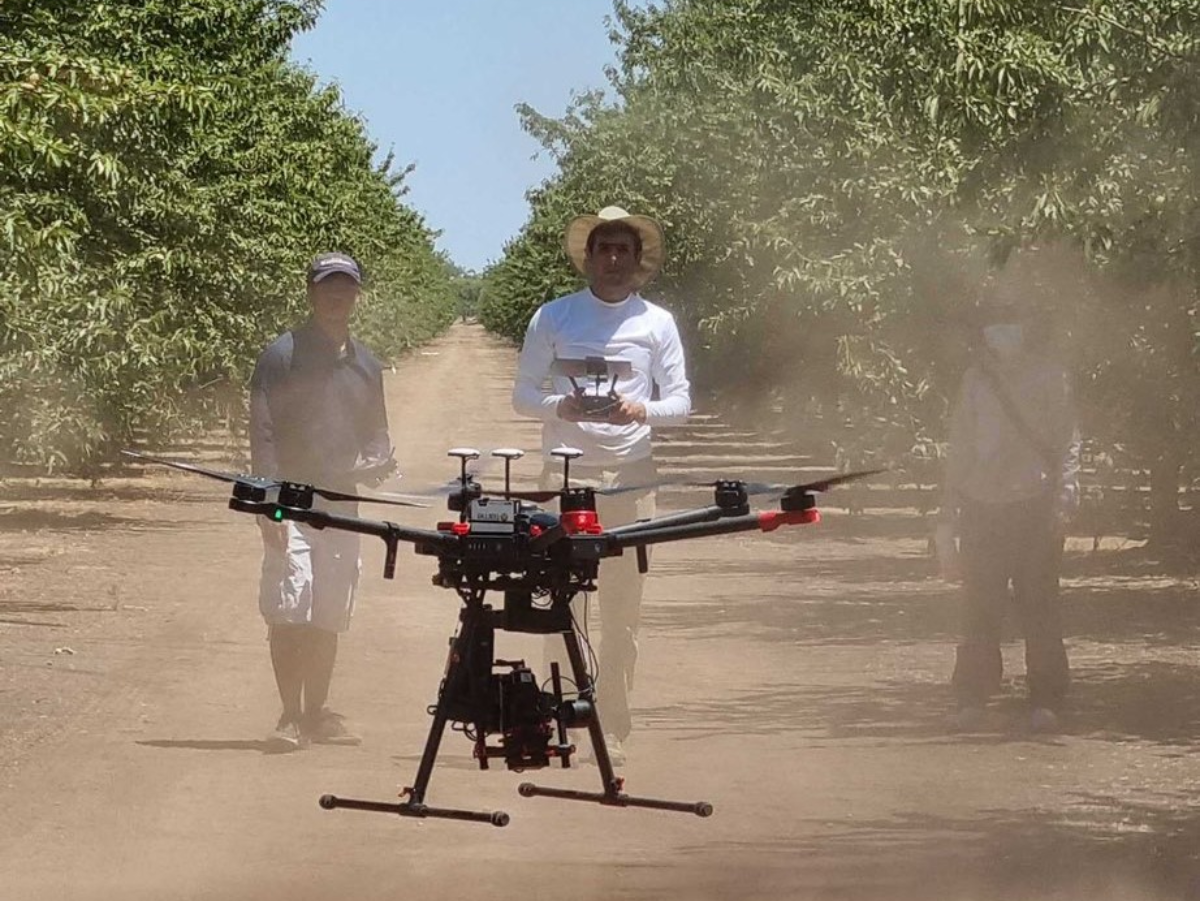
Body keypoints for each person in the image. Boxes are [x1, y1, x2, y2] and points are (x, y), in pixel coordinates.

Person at [511, 206, 691, 764]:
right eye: (604, 249)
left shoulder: (656, 324)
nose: (614, 259)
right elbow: (523, 395)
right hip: (565, 478)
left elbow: (680, 403)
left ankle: (612, 719)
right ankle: (559, 712)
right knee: (560, 603)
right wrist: (559, 404)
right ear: (587, 258)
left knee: (621, 607)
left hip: (631, 480)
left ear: (639, 262)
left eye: (624, 250)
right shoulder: (554, 317)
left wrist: (641, 409)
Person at [249, 252, 395, 750]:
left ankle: (316, 713)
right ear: (310, 293)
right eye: (327, 287)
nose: (337, 296)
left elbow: (377, 431)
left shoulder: (366, 364)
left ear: (357, 295)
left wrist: (378, 459)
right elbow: (263, 431)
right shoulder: (281, 355)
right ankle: (289, 716)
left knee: (329, 610)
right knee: (291, 606)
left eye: (346, 287)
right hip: (290, 502)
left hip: (342, 505)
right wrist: (268, 500)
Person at [935, 285, 1080, 733]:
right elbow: (960, 446)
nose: (1002, 332)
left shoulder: (1051, 378)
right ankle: (973, 697)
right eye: (995, 324)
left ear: (1027, 328)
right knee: (980, 605)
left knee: (1040, 605)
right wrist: (948, 512)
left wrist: (1067, 498)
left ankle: (1046, 699)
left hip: (1035, 505)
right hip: (982, 505)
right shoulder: (976, 381)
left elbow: (1069, 442)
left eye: (1010, 322)